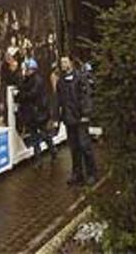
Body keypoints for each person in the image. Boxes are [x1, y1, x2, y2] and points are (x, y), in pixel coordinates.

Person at [56, 55, 97, 186]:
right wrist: (57, 117)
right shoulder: (61, 82)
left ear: (71, 63)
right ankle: (77, 173)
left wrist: (85, 113)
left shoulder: (80, 78)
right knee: (74, 148)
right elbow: (59, 100)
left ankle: (91, 173)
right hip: (69, 120)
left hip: (80, 118)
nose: (63, 64)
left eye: (65, 62)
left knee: (85, 146)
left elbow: (86, 97)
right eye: (61, 62)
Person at [17, 58, 56, 167]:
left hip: (39, 113)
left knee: (44, 135)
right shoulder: (27, 79)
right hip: (32, 113)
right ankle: (39, 159)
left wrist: (21, 96)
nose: (26, 71)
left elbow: (31, 94)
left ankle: (52, 151)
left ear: (32, 69)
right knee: (35, 137)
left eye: (27, 69)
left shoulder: (37, 80)